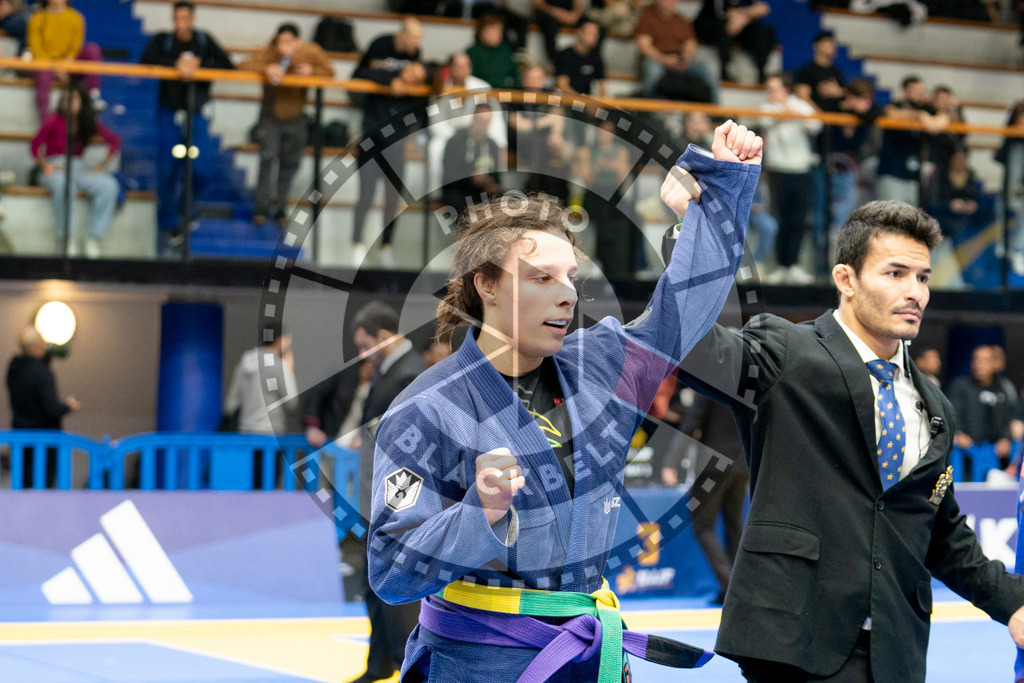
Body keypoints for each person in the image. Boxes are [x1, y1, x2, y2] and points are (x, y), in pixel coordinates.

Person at [367, 121, 763, 681]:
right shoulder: (426, 409)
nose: (567, 292)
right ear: (487, 284)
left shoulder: (601, 365)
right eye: (541, 277)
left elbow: (683, 311)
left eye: (571, 277)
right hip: (483, 662)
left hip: (584, 655)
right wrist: (478, 513)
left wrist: (719, 191)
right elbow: (391, 572)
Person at [671, 200, 1024, 682]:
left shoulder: (936, 404)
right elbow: (688, 346)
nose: (915, 292)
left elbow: (942, 535)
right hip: (794, 642)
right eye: (896, 273)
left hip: (895, 649)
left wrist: (1013, 604)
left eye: (922, 277)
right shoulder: (785, 351)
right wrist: (695, 228)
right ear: (846, 279)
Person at [348, 301, 426, 683]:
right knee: (371, 582)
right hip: (379, 494)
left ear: (383, 337)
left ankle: (401, 662)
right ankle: (379, 663)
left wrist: (393, 509)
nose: (363, 355)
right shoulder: (393, 372)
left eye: (365, 346)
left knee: (390, 587)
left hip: (395, 498)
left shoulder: (407, 374)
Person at [139, 0, 234, 253]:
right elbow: (145, 59)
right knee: (168, 168)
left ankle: (186, 211)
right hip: (169, 112)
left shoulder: (204, 41)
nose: (180, 23)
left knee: (201, 168)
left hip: (197, 113)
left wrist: (199, 67)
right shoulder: (163, 41)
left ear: (192, 19)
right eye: (176, 18)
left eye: (185, 18)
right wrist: (176, 66)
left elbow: (227, 65)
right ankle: (169, 223)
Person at [239, 23, 334, 226]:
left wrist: (312, 71)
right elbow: (243, 66)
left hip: (296, 118)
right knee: (268, 160)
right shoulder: (270, 52)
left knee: (289, 165)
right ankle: (261, 209)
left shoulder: (310, 52)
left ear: (297, 42)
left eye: (288, 42)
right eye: (280, 41)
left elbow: (329, 72)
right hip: (270, 117)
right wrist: (267, 68)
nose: (284, 46)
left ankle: (281, 209)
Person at [350, 19, 426, 267]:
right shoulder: (380, 45)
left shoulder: (416, 54)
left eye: (419, 40)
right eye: (413, 38)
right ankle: (357, 244)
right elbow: (360, 74)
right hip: (372, 132)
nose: (416, 44)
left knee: (394, 197)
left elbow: (427, 82)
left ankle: (385, 245)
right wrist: (391, 78)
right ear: (402, 34)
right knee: (366, 193)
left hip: (398, 137)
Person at [31, 84, 121, 259]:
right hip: (55, 165)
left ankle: (94, 238)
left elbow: (114, 141)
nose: (69, 103)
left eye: (73, 99)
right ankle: (67, 238)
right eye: (65, 99)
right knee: (63, 184)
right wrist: (46, 166)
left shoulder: (87, 122)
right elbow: (35, 147)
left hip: (79, 167)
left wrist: (103, 164)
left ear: (82, 102)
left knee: (109, 186)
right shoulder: (53, 120)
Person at [677, 390, 748, 605]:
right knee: (734, 527)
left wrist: (672, 460)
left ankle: (731, 589)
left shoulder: (711, 380)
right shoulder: (747, 380)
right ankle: (733, 589)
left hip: (713, 465)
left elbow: (692, 422)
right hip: (742, 463)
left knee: (703, 525)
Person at [759, 72, 821, 284]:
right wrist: (789, 113)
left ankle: (792, 265)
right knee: (779, 219)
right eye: (768, 89)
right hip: (778, 169)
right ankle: (779, 265)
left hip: (801, 169)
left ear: (785, 89)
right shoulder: (766, 107)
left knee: (797, 220)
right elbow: (764, 121)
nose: (770, 93)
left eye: (774, 88)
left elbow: (816, 125)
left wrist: (793, 110)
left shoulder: (799, 104)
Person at [6, 325, 80, 487]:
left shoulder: (14, 368)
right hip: (43, 443)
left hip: (20, 439)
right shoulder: (42, 372)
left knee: (21, 488)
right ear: (40, 345)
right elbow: (51, 409)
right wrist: (68, 406)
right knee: (42, 490)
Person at [572, 118, 639, 277]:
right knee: (598, 226)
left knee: (626, 222)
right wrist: (597, 167)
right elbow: (586, 182)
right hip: (594, 197)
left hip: (614, 198)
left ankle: (622, 272)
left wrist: (615, 167)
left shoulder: (621, 151)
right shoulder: (586, 151)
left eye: (608, 132)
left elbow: (624, 182)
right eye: (601, 131)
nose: (604, 135)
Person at [875, 76, 948, 206]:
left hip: (913, 175)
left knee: (909, 220)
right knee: (890, 217)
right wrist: (919, 116)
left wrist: (933, 118)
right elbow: (891, 113)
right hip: (892, 172)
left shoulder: (926, 109)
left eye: (922, 90)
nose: (920, 94)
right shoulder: (895, 106)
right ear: (904, 91)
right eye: (915, 90)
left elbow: (943, 119)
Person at [949, 344, 1018, 479]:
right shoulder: (960, 386)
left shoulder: (1003, 389)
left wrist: (1006, 438)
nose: (979, 364)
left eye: (984, 360)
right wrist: (959, 432)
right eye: (976, 359)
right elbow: (953, 412)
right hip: (966, 450)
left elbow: (1008, 417)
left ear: (994, 363)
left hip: (995, 452)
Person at [26, 0, 102, 118]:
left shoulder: (76, 17)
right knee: (42, 71)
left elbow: (76, 47)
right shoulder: (37, 18)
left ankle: (93, 96)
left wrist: (65, 66)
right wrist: (56, 68)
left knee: (93, 49)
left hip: (70, 66)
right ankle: (45, 121)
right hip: (47, 67)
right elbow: (37, 50)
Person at [635, 0, 717, 101]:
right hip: (657, 59)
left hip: (679, 58)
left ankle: (716, 110)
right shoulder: (647, 18)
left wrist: (686, 57)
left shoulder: (681, 19)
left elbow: (690, 44)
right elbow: (644, 46)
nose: (671, 2)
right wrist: (664, 59)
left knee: (707, 66)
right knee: (653, 70)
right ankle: (648, 107)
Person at [510, 63, 570, 202]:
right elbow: (520, 125)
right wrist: (546, 121)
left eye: (538, 79)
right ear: (524, 80)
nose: (534, 83)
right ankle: (538, 195)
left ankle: (549, 197)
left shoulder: (550, 94)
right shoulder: (516, 96)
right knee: (540, 146)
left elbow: (558, 121)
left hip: (547, 146)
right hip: (522, 143)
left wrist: (554, 132)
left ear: (544, 80)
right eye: (530, 78)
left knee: (554, 148)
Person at [223, 328, 297, 436]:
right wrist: (289, 371)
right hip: (271, 434)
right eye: (288, 339)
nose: (289, 344)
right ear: (279, 340)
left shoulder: (245, 362)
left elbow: (230, 404)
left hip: (246, 432)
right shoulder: (279, 365)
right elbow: (292, 403)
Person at [693, 0, 775, 83]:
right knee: (723, 27)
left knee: (764, 30)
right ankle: (725, 70)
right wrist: (747, 13)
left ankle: (761, 71)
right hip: (709, 23)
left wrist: (744, 18)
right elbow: (720, 12)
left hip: (739, 23)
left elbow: (761, 9)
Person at [442, 103, 501, 216]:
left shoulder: (492, 145)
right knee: (458, 202)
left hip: (482, 193)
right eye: (480, 120)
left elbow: (497, 177)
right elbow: (449, 176)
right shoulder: (456, 141)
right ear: (473, 118)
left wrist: (490, 183)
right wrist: (471, 177)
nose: (483, 125)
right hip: (459, 191)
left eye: (487, 122)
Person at [794, 30, 845, 112]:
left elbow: (846, 96)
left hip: (836, 119)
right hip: (816, 119)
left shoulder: (837, 71)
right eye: (827, 43)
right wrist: (821, 116)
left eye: (833, 43)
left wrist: (839, 92)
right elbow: (803, 97)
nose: (832, 46)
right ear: (816, 45)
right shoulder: (807, 70)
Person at [466, 14, 520, 89]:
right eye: (493, 29)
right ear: (481, 31)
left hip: (503, 95)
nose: (497, 33)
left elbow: (515, 77)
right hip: (479, 94)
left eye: (500, 29)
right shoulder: (472, 52)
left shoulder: (505, 51)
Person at [532, 0, 582, 65]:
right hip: (548, 14)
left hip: (568, 15)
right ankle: (553, 61)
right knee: (550, 23)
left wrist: (574, 16)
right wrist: (554, 12)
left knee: (590, 24)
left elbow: (578, 4)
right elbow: (537, 3)